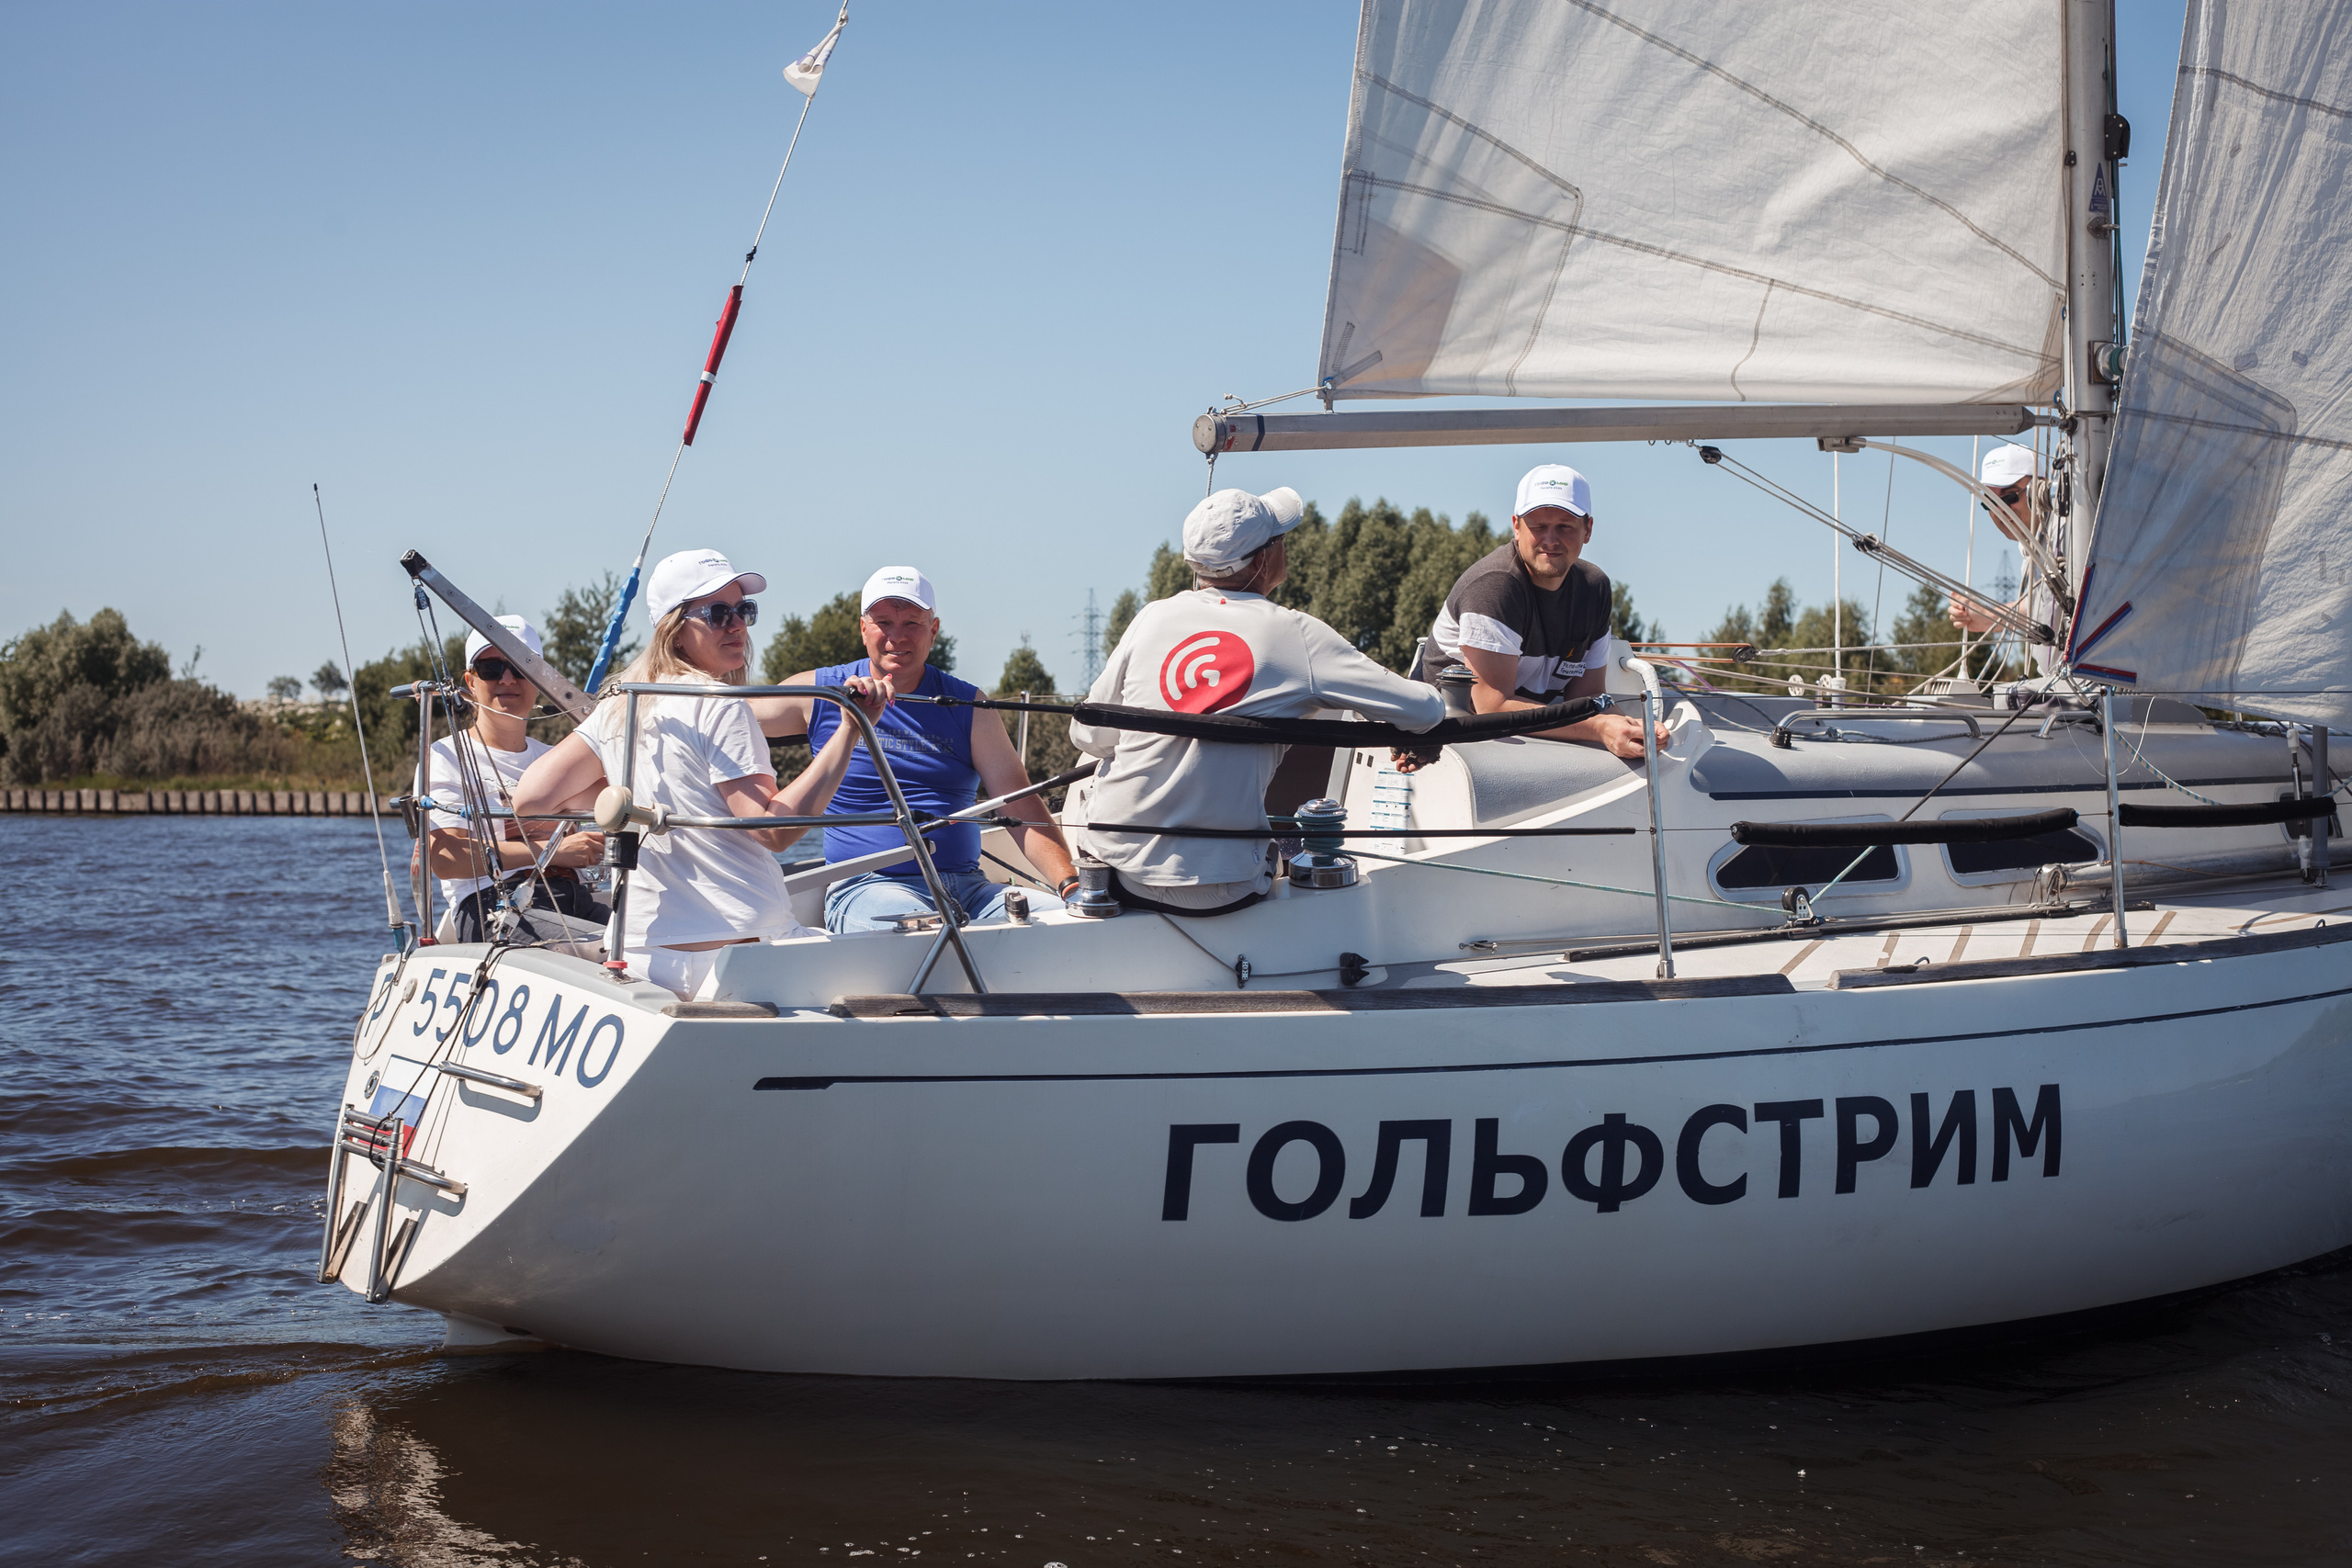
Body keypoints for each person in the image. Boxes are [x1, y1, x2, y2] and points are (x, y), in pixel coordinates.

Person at [514, 549, 889, 998]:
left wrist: (632, 799)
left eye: (743, 610)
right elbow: (771, 830)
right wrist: (850, 729)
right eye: (717, 613)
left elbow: (530, 800)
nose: (737, 624)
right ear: (672, 628)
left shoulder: (620, 705)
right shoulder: (722, 704)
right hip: (744, 954)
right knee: (897, 966)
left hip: (641, 957)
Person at [1070, 485, 1445, 916]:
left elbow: (1089, 734)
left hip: (1112, 868)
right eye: (1281, 539)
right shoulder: (1295, 634)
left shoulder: (1152, 616)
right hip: (1220, 885)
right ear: (1265, 558)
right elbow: (1424, 710)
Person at [753, 566, 1079, 933]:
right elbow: (719, 717)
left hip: (969, 889)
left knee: (1066, 922)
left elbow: (1019, 804)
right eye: (884, 622)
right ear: (863, 629)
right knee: (926, 930)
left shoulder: (969, 703)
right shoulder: (821, 692)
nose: (897, 636)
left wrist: (1071, 887)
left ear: (933, 631)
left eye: (911, 623)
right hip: (866, 887)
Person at [1418, 463, 1667, 760]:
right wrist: (1599, 727)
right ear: (1516, 526)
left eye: (1564, 526)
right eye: (1538, 526)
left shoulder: (1594, 588)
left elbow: (1586, 698)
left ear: (1587, 529)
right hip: (1442, 745)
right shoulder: (1495, 586)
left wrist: (1634, 726)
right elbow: (1492, 707)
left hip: (1526, 741)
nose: (1550, 540)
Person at [424, 615, 607, 943]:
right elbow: (447, 858)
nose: (507, 679)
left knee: (657, 943)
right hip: (491, 906)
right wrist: (556, 852)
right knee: (609, 948)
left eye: (520, 667)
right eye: (491, 668)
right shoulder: (447, 755)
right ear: (470, 681)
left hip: (574, 899)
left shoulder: (557, 758)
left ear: (539, 681)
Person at [1948, 443, 2065, 674]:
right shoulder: (2033, 545)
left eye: (2010, 497)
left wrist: (1990, 615)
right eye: (1991, 502)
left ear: (2040, 490)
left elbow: (2051, 604)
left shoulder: (2064, 533)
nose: (2002, 511)